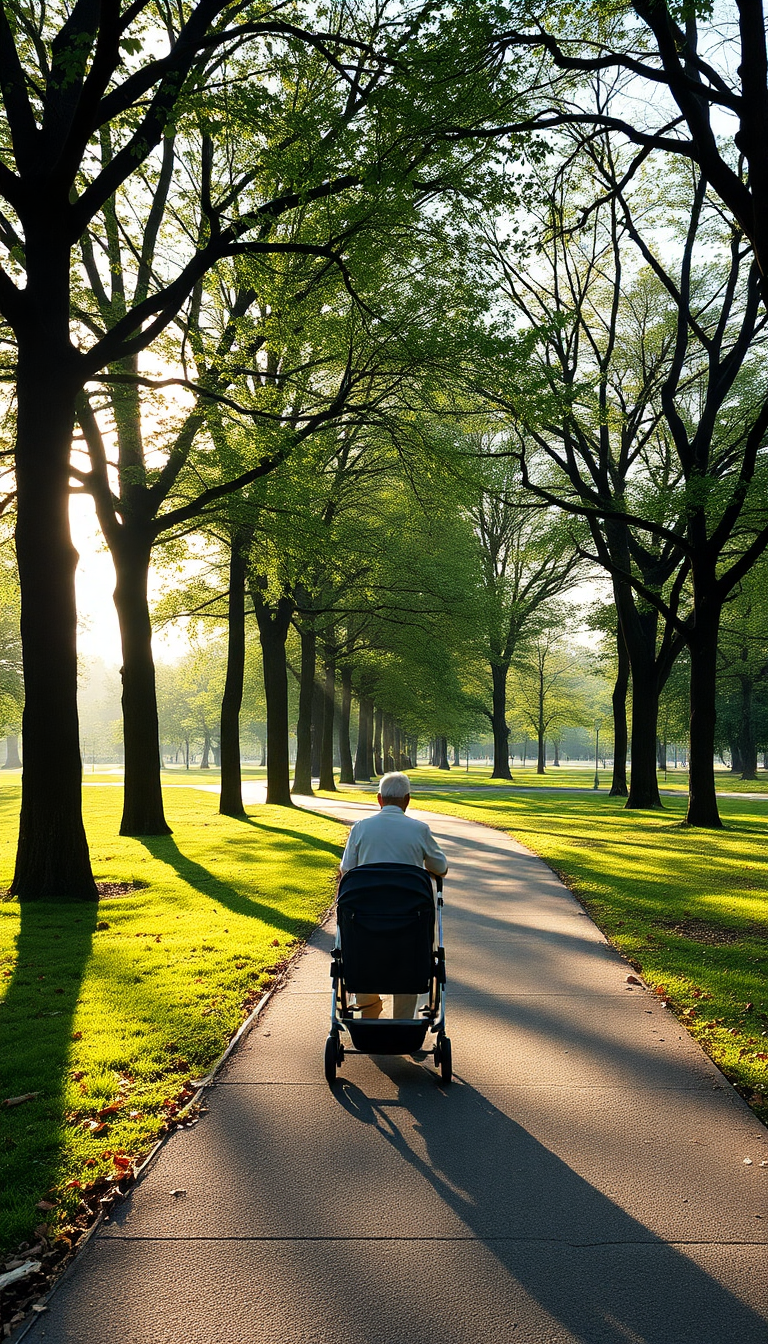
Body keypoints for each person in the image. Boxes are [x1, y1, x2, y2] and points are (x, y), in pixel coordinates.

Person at [339, 770, 448, 1020]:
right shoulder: (419, 830)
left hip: (365, 915)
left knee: (360, 948)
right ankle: (403, 1019)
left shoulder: (361, 828)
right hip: (410, 915)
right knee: (412, 952)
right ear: (407, 800)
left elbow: (347, 870)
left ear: (379, 799)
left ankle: (368, 1007)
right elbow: (441, 868)